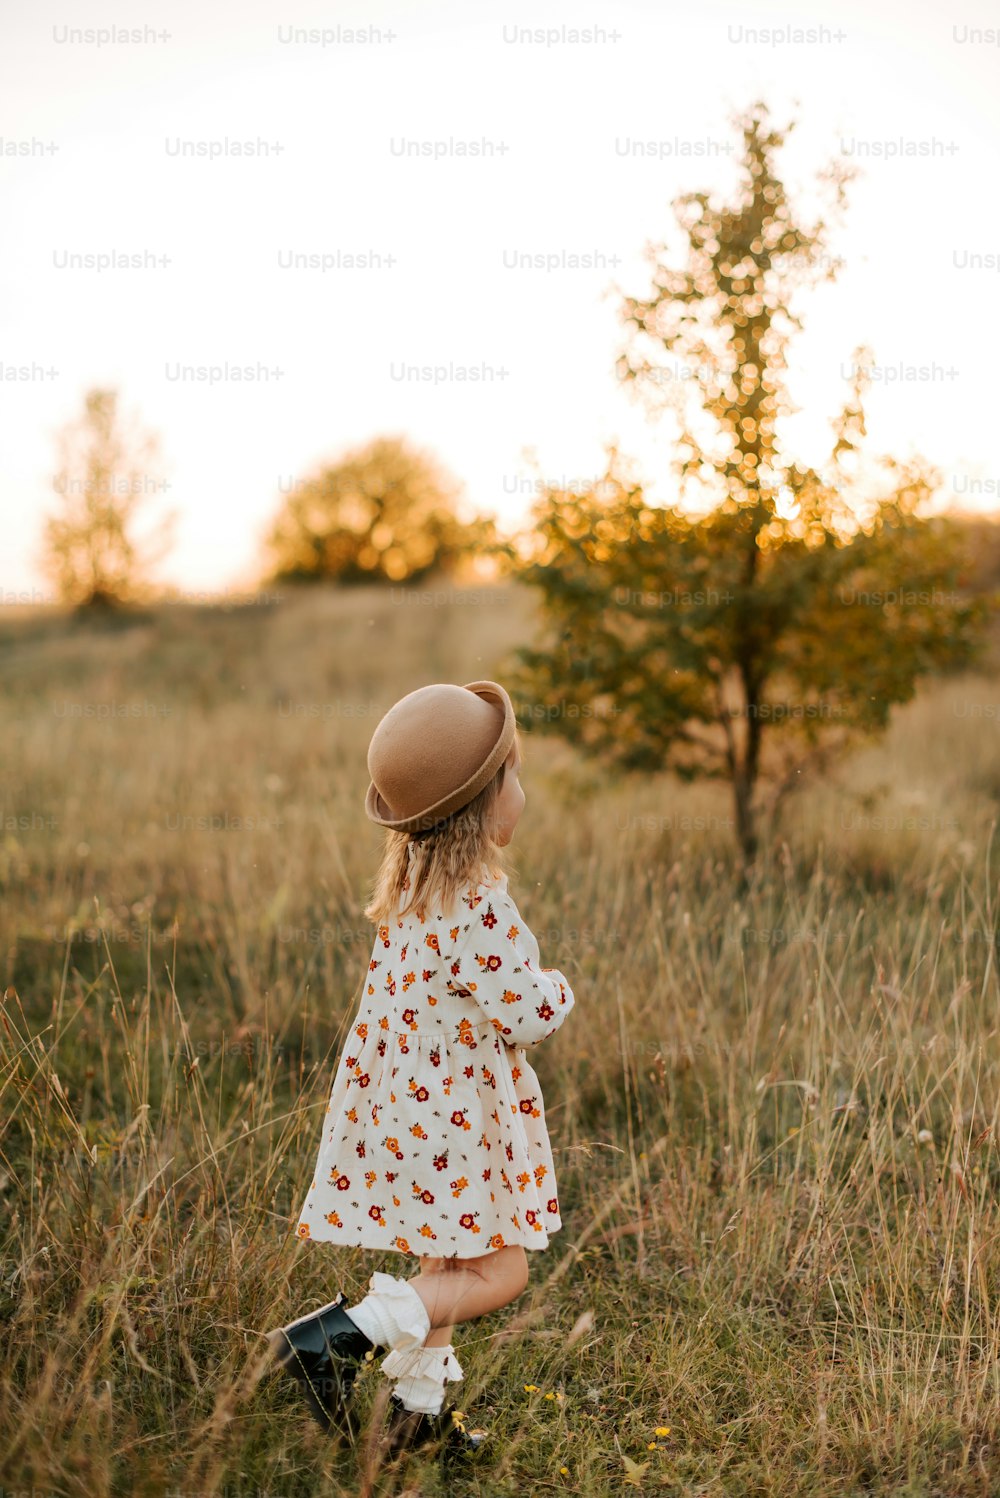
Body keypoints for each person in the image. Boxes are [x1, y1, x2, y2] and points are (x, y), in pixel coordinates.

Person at [264, 679, 576, 1459]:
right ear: (486, 803)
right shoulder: (478, 908)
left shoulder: (411, 893)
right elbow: (529, 1013)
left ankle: (414, 1414)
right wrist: (560, 986)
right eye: (516, 776)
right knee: (499, 1273)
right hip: (457, 1121)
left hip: (410, 1115)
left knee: (450, 1259)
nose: (523, 792)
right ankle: (338, 1336)